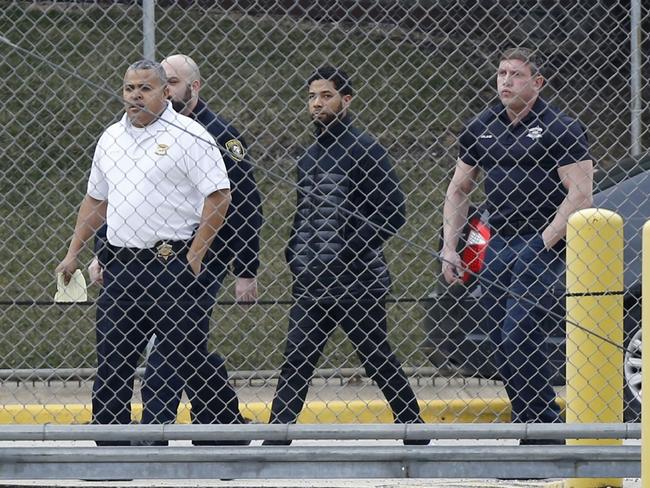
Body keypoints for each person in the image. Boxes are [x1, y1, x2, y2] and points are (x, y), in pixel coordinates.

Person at [56, 59, 232, 446]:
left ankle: (154, 443)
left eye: (145, 88)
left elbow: (219, 195)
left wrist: (197, 253)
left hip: (172, 267)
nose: (135, 95)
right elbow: (95, 201)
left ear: (165, 92)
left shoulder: (190, 135)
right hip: (121, 267)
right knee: (113, 361)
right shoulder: (110, 138)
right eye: (129, 88)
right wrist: (73, 253)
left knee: (166, 366)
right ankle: (110, 445)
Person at [89, 54, 262, 443]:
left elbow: (245, 206)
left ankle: (157, 434)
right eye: (139, 86)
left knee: (173, 350)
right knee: (187, 347)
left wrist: (244, 267)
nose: (160, 90)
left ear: (190, 87)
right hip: (139, 258)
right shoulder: (124, 134)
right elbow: (121, 200)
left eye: (172, 82)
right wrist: (104, 250)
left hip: (202, 259)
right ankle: (221, 421)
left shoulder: (216, 133)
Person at [263, 66, 427, 446]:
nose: (317, 103)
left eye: (326, 95)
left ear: (346, 99)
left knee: (376, 356)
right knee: (296, 360)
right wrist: (295, 254)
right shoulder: (308, 156)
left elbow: (394, 212)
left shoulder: (365, 149)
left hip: (358, 280)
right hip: (312, 279)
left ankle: (415, 428)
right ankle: (276, 437)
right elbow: (305, 212)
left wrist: (350, 249)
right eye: (312, 97)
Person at [441, 48, 593, 441]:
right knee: (501, 341)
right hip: (500, 242)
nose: (506, 82)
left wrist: (542, 243)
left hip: (544, 246)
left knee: (519, 334)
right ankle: (538, 425)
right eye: (501, 74)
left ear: (537, 83)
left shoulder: (562, 127)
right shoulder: (481, 126)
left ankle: (541, 431)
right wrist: (450, 246)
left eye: (516, 75)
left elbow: (580, 195)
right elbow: (459, 189)